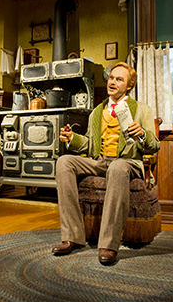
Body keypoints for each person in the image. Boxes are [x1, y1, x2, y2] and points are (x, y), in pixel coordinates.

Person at [51, 62, 160, 265]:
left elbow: (154, 145)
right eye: (111, 77)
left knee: (118, 167)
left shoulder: (142, 109)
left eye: (119, 79)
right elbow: (88, 144)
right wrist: (71, 138)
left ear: (129, 85)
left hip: (127, 162)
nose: (113, 82)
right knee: (64, 161)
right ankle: (72, 236)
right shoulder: (97, 111)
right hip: (100, 161)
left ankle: (108, 245)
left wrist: (143, 134)